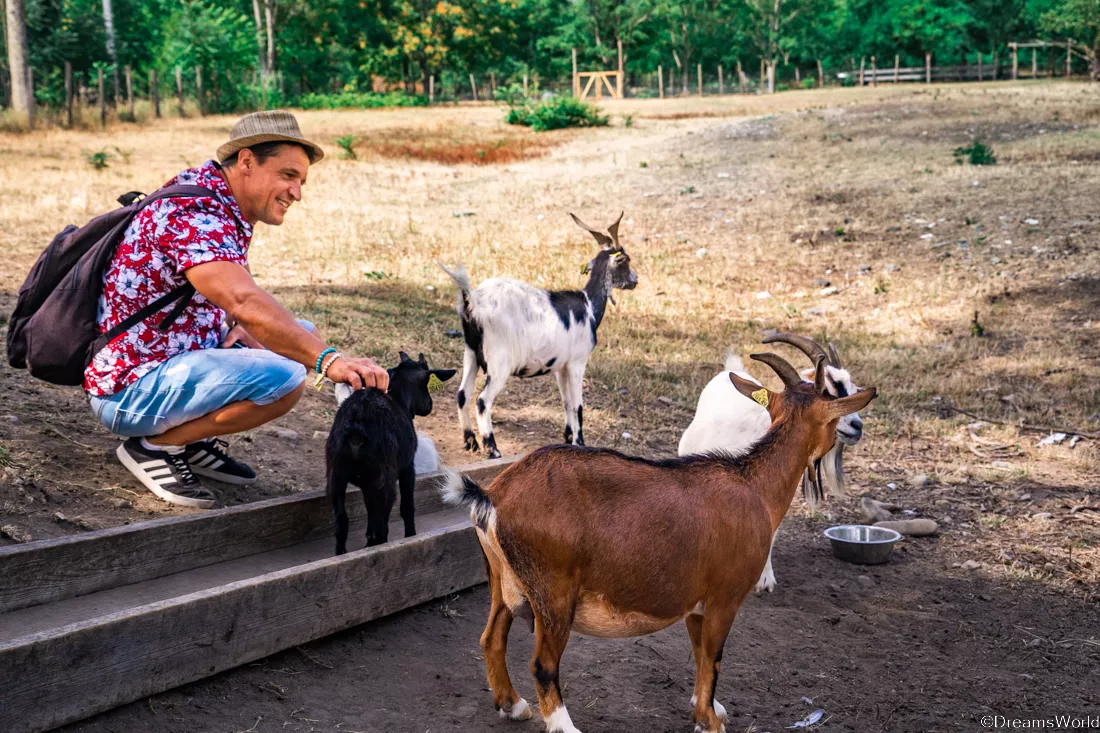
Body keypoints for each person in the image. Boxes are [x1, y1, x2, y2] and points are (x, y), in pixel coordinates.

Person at [85, 110, 389, 509]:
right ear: (246, 161)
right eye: (287, 175)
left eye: (300, 180)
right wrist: (329, 361)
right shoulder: (194, 213)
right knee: (284, 378)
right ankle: (156, 446)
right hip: (128, 387)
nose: (296, 192)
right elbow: (244, 300)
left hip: (162, 358)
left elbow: (216, 295)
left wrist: (235, 325)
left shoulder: (216, 199)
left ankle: (188, 440)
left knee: (299, 332)